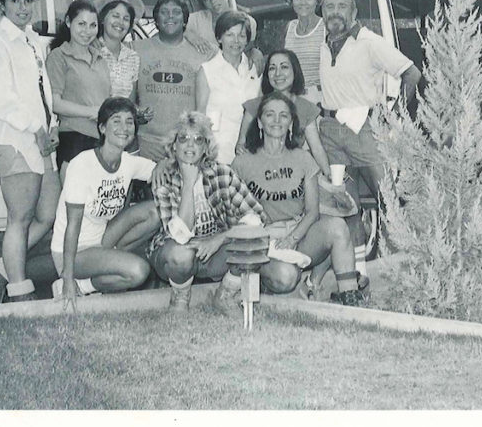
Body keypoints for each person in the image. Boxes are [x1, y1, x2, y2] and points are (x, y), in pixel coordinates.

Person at [0, 0, 61, 304]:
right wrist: (36, 128)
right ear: (2, 5)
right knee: (19, 219)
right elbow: (0, 98)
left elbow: (42, 92)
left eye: (27, 1)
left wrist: (52, 125)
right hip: (13, 140)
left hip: (40, 141)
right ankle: (19, 293)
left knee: (47, 214)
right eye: (15, 1)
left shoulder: (33, 40)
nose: (22, 7)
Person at [318, 0, 422, 278]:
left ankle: (404, 272)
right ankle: (359, 275)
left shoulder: (369, 42)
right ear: (323, 14)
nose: (335, 12)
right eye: (329, 7)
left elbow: (411, 74)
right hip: (331, 133)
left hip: (365, 131)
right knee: (345, 206)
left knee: (389, 201)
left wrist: (393, 114)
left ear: (353, 12)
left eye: (341, 6)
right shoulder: (324, 44)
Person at [232, 92, 366, 306]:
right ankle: (266, 281)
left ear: (292, 123)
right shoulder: (242, 163)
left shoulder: (303, 158)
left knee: (337, 227)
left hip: (297, 234)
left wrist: (293, 238)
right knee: (286, 278)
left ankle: (350, 298)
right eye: (270, 114)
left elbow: (312, 211)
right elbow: (235, 216)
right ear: (259, 121)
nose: (277, 121)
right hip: (264, 240)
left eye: (284, 116)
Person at [146, 111, 268, 314]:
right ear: (174, 145)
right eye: (183, 139)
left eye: (198, 140)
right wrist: (188, 184)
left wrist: (219, 239)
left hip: (213, 251)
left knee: (253, 244)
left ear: (206, 147)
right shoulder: (164, 177)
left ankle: (226, 295)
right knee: (181, 254)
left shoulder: (222, 173)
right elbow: (180, 235)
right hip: (175, 254)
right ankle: (180, 297)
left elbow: (256, 218)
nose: (190, 145)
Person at [51, 97, 165, 306]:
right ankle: (73, 283)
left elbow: (161, 169)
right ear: (102, 128)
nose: (124, 128)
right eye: (116, 121)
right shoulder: (82, 165)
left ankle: (89, 280)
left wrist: (167, 161)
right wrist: (67, 276)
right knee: (138, 271)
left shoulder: (129, 163)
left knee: (154, 212)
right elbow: (72, 225)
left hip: (102, 238)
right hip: (75, 251)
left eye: (129, 121)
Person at [132, 0, 206, 162]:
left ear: (185, 19)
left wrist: (254, 52)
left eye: (176, 12)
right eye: (164, 12)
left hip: (185, 144)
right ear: (156, 19)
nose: (170, 16)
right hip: (146, 144)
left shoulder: (202, 52)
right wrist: (136, 112)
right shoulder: (136, 49)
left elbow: (231, 51)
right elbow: (126, 99)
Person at [235, 49, 331, 178]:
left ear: (295, 71)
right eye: (272, 68)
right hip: (258, 176)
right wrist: (241, 148)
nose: (278, 74)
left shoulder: (306, 108)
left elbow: (317, 149)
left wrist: (329, 176)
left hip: (293, 175)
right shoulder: (253, 107)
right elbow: (240, 146)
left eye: (284, 67)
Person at [46, 0, 112, 177]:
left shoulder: (100, 59)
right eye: (81, 24)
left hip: (102, 141)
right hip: (74, 139)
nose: (87, 31)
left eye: (93, 25)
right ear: (68, 22)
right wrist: (91, 111)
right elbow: (55, 104)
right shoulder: (58, 56)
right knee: (74, 202)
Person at [196, 10, 261, 164]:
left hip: (250, 152)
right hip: (217, 154)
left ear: (247, 40)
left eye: (242, 35)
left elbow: (258, 109)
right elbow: (200, 117)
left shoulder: (254, 69)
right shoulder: (207, 71)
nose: (236, 41)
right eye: (230, 35)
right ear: (219, 38)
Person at [184, 0, 264, 73]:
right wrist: (189, 34)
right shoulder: (194, 20)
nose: (212, 1)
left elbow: (247, 50)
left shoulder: (248, 22)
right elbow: (163, 28)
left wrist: (255, 51)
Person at [282, 0, 326, 103]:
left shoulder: (325, 27)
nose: (303, 2)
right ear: (292, 0)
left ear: (317, 0)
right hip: (293, 98)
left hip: (318, 100)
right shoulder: (289, 28)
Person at [93, 0, 145, 102]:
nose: (120, 22)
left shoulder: (133, 57)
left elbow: (130, 101)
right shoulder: (91, 50)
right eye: (115, 16)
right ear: (102, 19)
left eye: (126, 19)